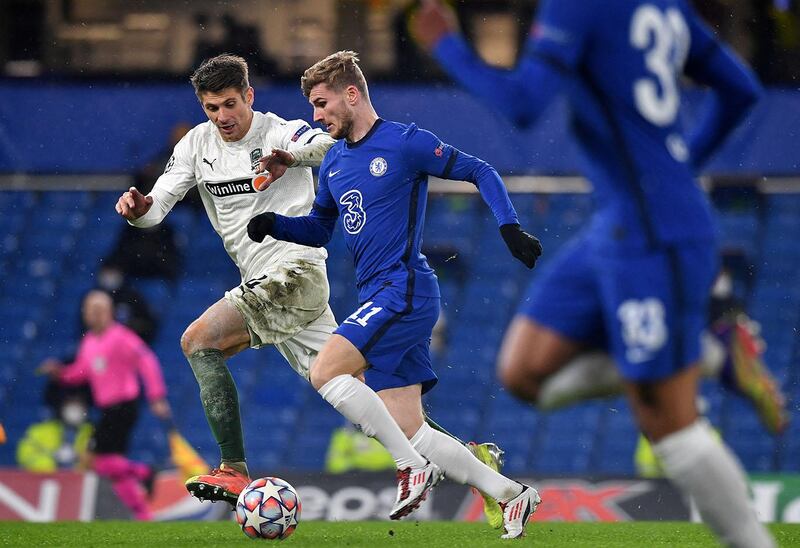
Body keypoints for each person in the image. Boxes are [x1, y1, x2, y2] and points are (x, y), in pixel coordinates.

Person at [411, 1, 775, 546]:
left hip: (656, 235)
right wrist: (676, 167)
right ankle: (714, 354)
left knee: (669, 427)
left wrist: (446, 45)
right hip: (620, 225)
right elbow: (741, 89)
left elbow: (523, 102)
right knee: (523, 372)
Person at [246, 50, 542, 538]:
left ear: (352, 94)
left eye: (321, 105)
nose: (316, 117)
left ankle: (411, 468)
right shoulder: (336, 160)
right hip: (377, 294)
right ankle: (512, 495)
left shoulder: (405, 143)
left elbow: (481, 170)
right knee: (413, 428)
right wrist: (273, 224)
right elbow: (321, 228)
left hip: (404, 288)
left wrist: (510, 228)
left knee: (325, 370)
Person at [114, 53, 339, 506]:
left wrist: (289, 156)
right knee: (350, 389)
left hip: (292, 272)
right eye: (212, 108)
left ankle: (233, 469)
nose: (222, 117)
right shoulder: (197, 145)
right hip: (267, 283)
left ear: (249, 96)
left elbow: (330, 147)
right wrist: (140, 212)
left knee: (198, 341)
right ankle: (465, 459)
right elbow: (158, 204)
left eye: (230, 104)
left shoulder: (279, 130)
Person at [38, 290, 171, 521]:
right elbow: (81, 372)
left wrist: (156, 396)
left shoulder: (121, 337)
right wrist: (60, 373)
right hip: (108, 409)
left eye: (99, 310)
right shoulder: (89, 341)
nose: (94, 315)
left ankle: (144, 472)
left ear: (110, 312)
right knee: (112, 467)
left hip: (124, 406)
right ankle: (144, 514)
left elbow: (146, 360)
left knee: (94, 460)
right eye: (91, 310)